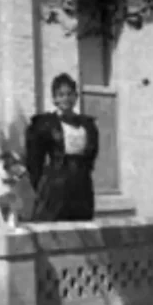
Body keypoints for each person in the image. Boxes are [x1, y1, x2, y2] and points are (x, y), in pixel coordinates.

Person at [25, 73, 100, 222]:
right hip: (56, 184)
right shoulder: (45, 124)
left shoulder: (87, 125)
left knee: (82, 226)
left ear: (76, 97)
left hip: (81, 184)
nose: (66, 99)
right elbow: (34, 160)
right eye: (61, 95)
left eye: (69, 94)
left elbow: (91, 155)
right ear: (54, 99)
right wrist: (41, 185)